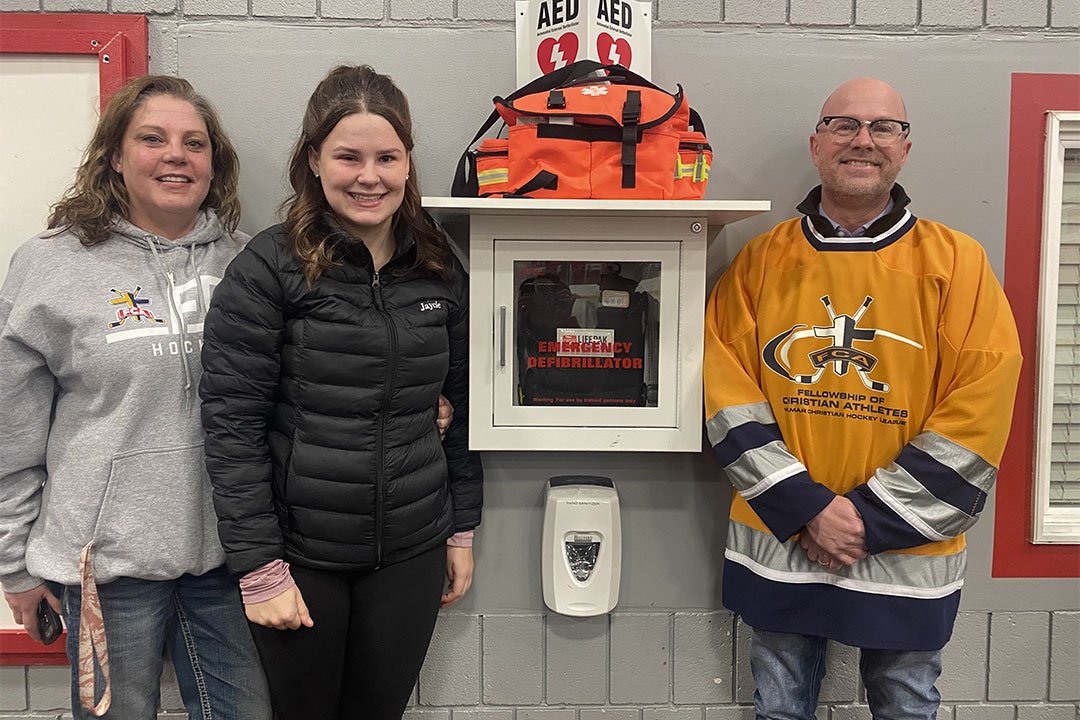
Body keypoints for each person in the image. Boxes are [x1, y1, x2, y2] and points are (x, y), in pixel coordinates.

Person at [704, 77, 1022, 720]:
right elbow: (724, 388)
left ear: (904, 148)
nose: (863, 141)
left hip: (907, 550)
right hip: (783, 541)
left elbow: (981, 402)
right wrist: (805, 506)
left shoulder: (957, 262)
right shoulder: (762, 262)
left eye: (882, 128)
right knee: (779, 707)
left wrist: (866, 520)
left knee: (906, 707)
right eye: (844, 125)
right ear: (818, 144)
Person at [199, 64, 484, 720]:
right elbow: (231, 426)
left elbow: (463, 405)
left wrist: (462, 527)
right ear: (313, 161)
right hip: (303, 555)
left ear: (408, 163)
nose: (369, 176)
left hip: (410, 549)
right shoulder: (268, 268)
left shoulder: (438, 267)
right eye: (348, 156)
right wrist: (260, 568)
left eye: (386, 157)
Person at [0, 75, 271, 719]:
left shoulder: (249, 262)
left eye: (194, 143)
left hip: (226, 558)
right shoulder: (50, 266)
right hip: (105, 568)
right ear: (116, 157)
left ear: (215, 164)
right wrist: (13, 564)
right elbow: (11, 430)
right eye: (152, 139)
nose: (176, 155)